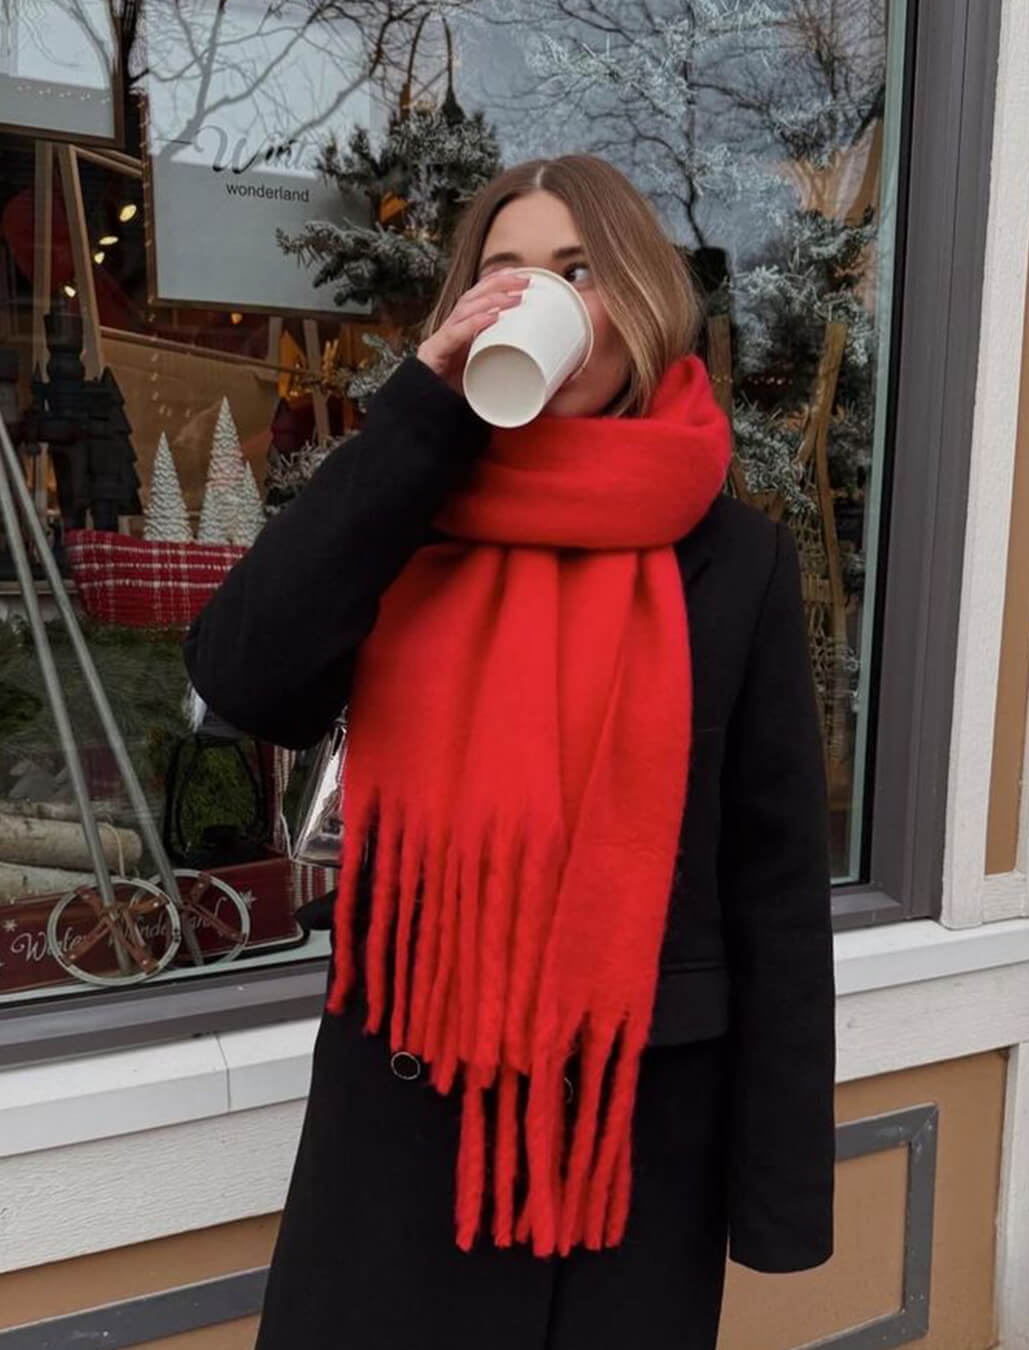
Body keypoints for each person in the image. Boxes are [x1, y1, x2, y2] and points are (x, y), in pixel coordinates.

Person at [184, 154, 836, 1350]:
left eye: (578, 271)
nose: (542, 296)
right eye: (507, 271)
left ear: (641, 297)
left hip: (628, 1149)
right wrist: (418, 415)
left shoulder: (737, 560)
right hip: (407, 1129)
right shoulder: (404, 511)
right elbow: (245, 675)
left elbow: (776, 883)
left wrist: (779, 1196)